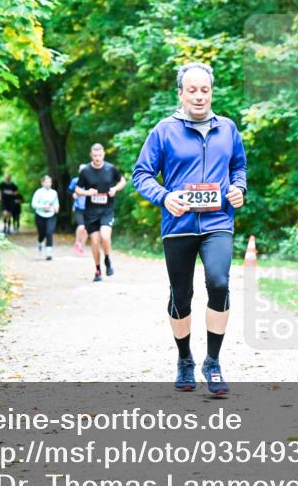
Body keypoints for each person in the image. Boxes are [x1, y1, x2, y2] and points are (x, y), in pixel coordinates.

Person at [132, 62, 247, 396]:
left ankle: (213, 362)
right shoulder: (163, 131)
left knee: (220, 282)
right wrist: (164, 197)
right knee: (181, 295)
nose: (199, 96)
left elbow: (238, 166)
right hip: (178, 225)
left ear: (212, 92)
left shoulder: (227, 128)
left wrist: (239, 189)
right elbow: (142, 174)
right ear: (180, 94)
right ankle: (184, 359)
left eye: (205, 90)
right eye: (192, 90)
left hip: (218, 222)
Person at [75, 144, 127, 281]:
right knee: (95, 240)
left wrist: (115, 189)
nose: (97, 158)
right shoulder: (85, 171)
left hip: (106, 210)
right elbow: (77, 190)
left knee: (104, 236)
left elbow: (123, 181)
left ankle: (108, 260)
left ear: (103, 154)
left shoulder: (110, 168)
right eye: (95, 156)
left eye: (99, 155)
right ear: (91, 156)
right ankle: (97, 269)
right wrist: (87, 192)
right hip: (91, 212)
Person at [31, 175, 60, 260]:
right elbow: (34, 204)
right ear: (42, 183)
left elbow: (56, 202)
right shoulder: (38, 192)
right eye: (46, 182)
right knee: (42, 234)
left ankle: (48, 253)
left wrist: (56, 207)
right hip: (40, 215)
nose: (48, 183)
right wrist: (43, 207)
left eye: (50, 182)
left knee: (49, 232)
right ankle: (40, 242)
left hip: (51, 215)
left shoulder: (54, 192)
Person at [68, 164, 88, 256]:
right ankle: (77, 242)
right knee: (81, 227)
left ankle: (82, 247)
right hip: (78, 207)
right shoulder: (75, 181)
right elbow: (70, 190)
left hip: (89, 208)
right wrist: (73, 194)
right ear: (79, 171)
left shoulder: (91, 181)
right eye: (82, 170)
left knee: (86, 230)